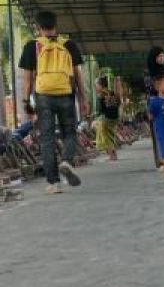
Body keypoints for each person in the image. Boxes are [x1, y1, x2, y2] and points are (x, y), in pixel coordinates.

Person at [19, 10, 89, 193]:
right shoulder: (69, 45)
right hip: (66, 94)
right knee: (70, 132)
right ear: (56, 26)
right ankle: (66, 160)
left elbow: (27, 79)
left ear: (37, 27)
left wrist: (26, 101)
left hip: (43, 96)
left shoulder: (31, 46)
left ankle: (53, 183)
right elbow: (78, 76)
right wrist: (84, 99)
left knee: (47, 138)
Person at [94, 76, 122, 161]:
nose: (96, 87)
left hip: (106, 118)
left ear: (101, 85)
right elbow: (118, 103)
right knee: (110, 136)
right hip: (115, 118)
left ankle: (112, 156)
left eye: (96, 85)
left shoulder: (101, 95)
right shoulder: (112, 92)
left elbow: (100, 111)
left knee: (105, 137)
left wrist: (94, 115)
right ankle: (114, 155)